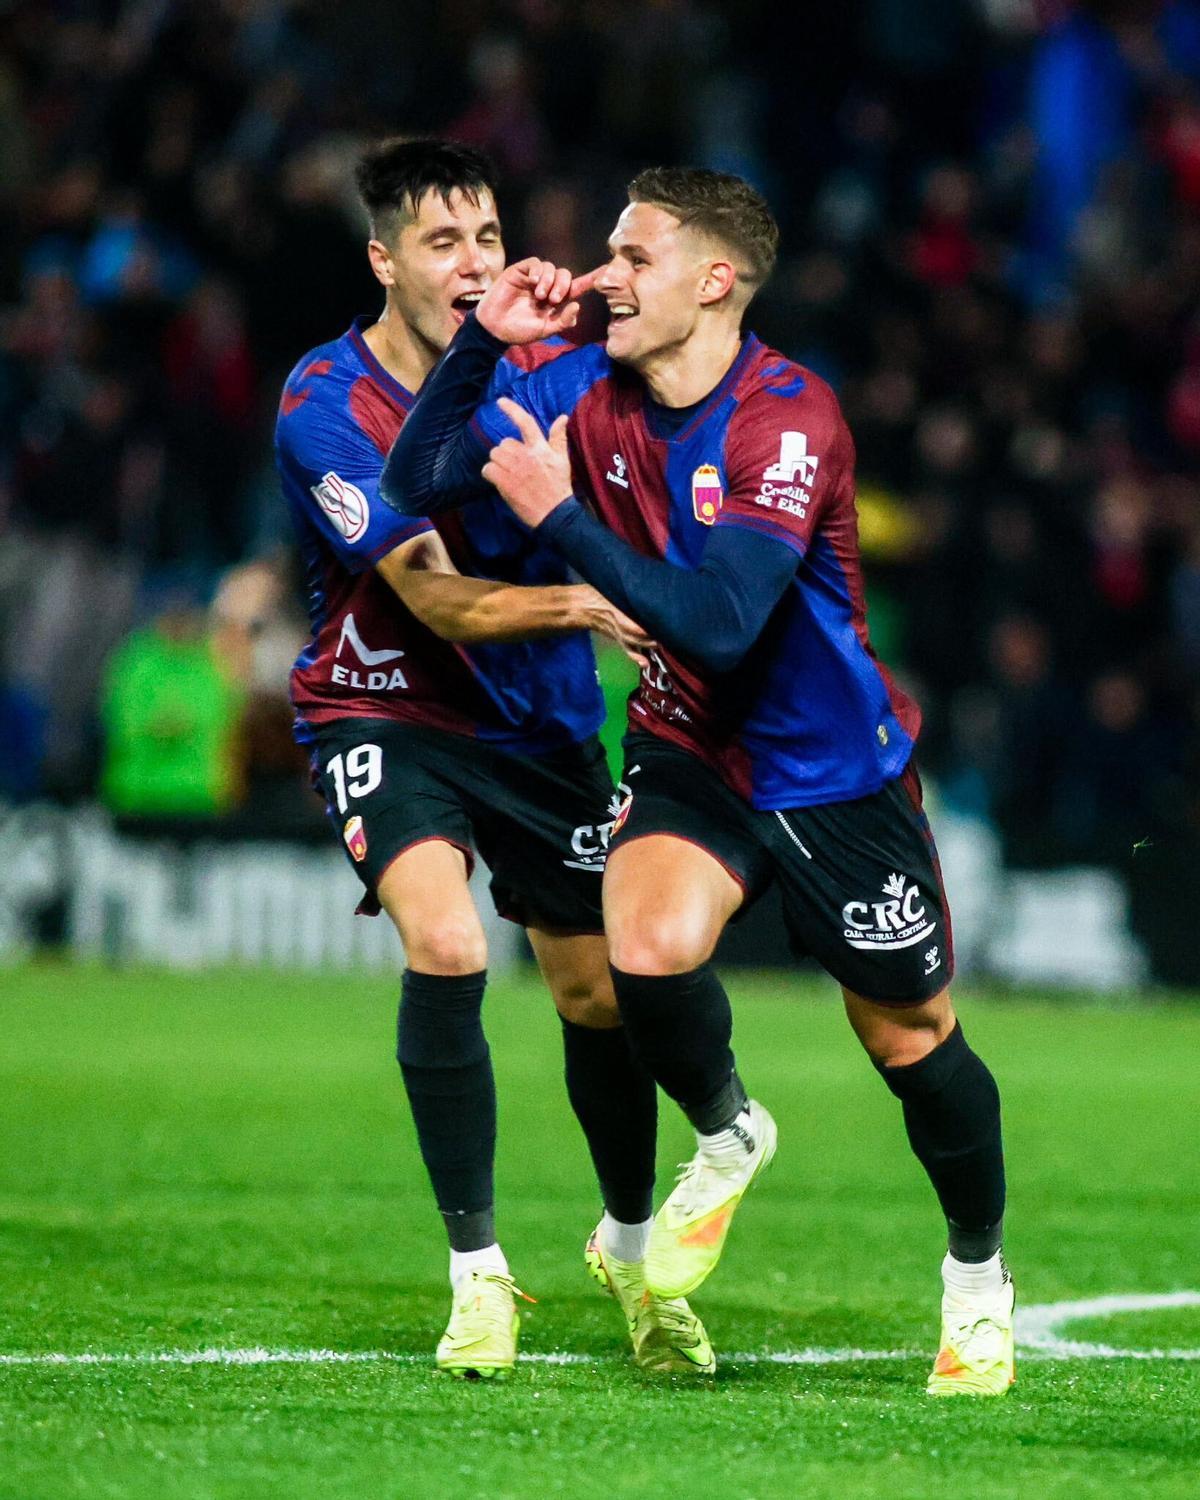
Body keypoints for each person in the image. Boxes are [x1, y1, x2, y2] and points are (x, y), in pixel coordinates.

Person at [381, 166, 1014, 1397]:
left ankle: (979, 1283)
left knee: (910, 1038)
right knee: (647, 941)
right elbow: (413, 485)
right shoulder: (585, 380)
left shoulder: (787, 417)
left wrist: (560, 517)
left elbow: (723, 622)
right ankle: (728, 1133)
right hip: (693, 749)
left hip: (833, 774)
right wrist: (479, 343)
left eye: (636, 256)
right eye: (609, 252)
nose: (602, 276)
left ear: (714, 281)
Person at [276, 139, 714, 1380]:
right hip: (385, 706)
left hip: (542, 725)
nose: (470, 265)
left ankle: (631, 1253)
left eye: (485, 238)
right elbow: (443, 603)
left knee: (597, 997)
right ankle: (477, 1277)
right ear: (384, 260)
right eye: (440, 243)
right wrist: (591, 603)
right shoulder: (326, 405)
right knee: (449, 940)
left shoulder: (552, 360)